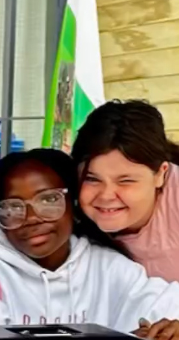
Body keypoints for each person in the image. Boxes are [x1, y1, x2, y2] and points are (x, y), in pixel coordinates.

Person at [0, 148, 179, 340]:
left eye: (48, 200)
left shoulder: (107, 266)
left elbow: (161, 301)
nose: (32, 218)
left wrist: (171, 327)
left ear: (75, 206)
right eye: (12, 207)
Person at [71, 99, 179, 282]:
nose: (106, 195)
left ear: (161, 174)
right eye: (92, 179)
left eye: (125, 180)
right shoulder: (65, 215)